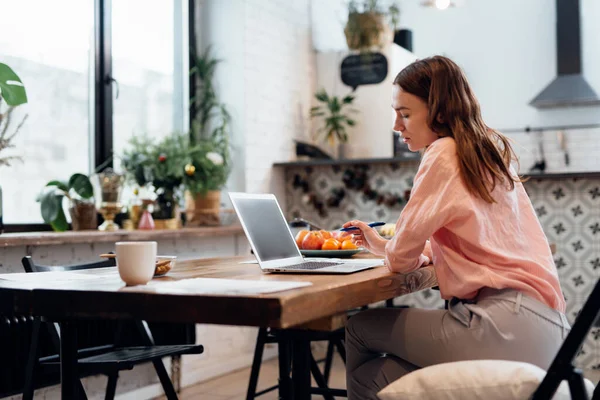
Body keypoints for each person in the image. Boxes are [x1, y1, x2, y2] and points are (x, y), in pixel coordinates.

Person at [342, 55, 568, 400]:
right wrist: (381, 245)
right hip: (546, 332)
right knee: (380, 376)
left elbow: (401, 258)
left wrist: (391, 250)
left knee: (359, 328)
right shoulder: (485, 151)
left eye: (404, 114)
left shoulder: (442, 152)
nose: (396, 126)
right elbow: (472, 240)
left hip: (501, 325)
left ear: (440, 112)